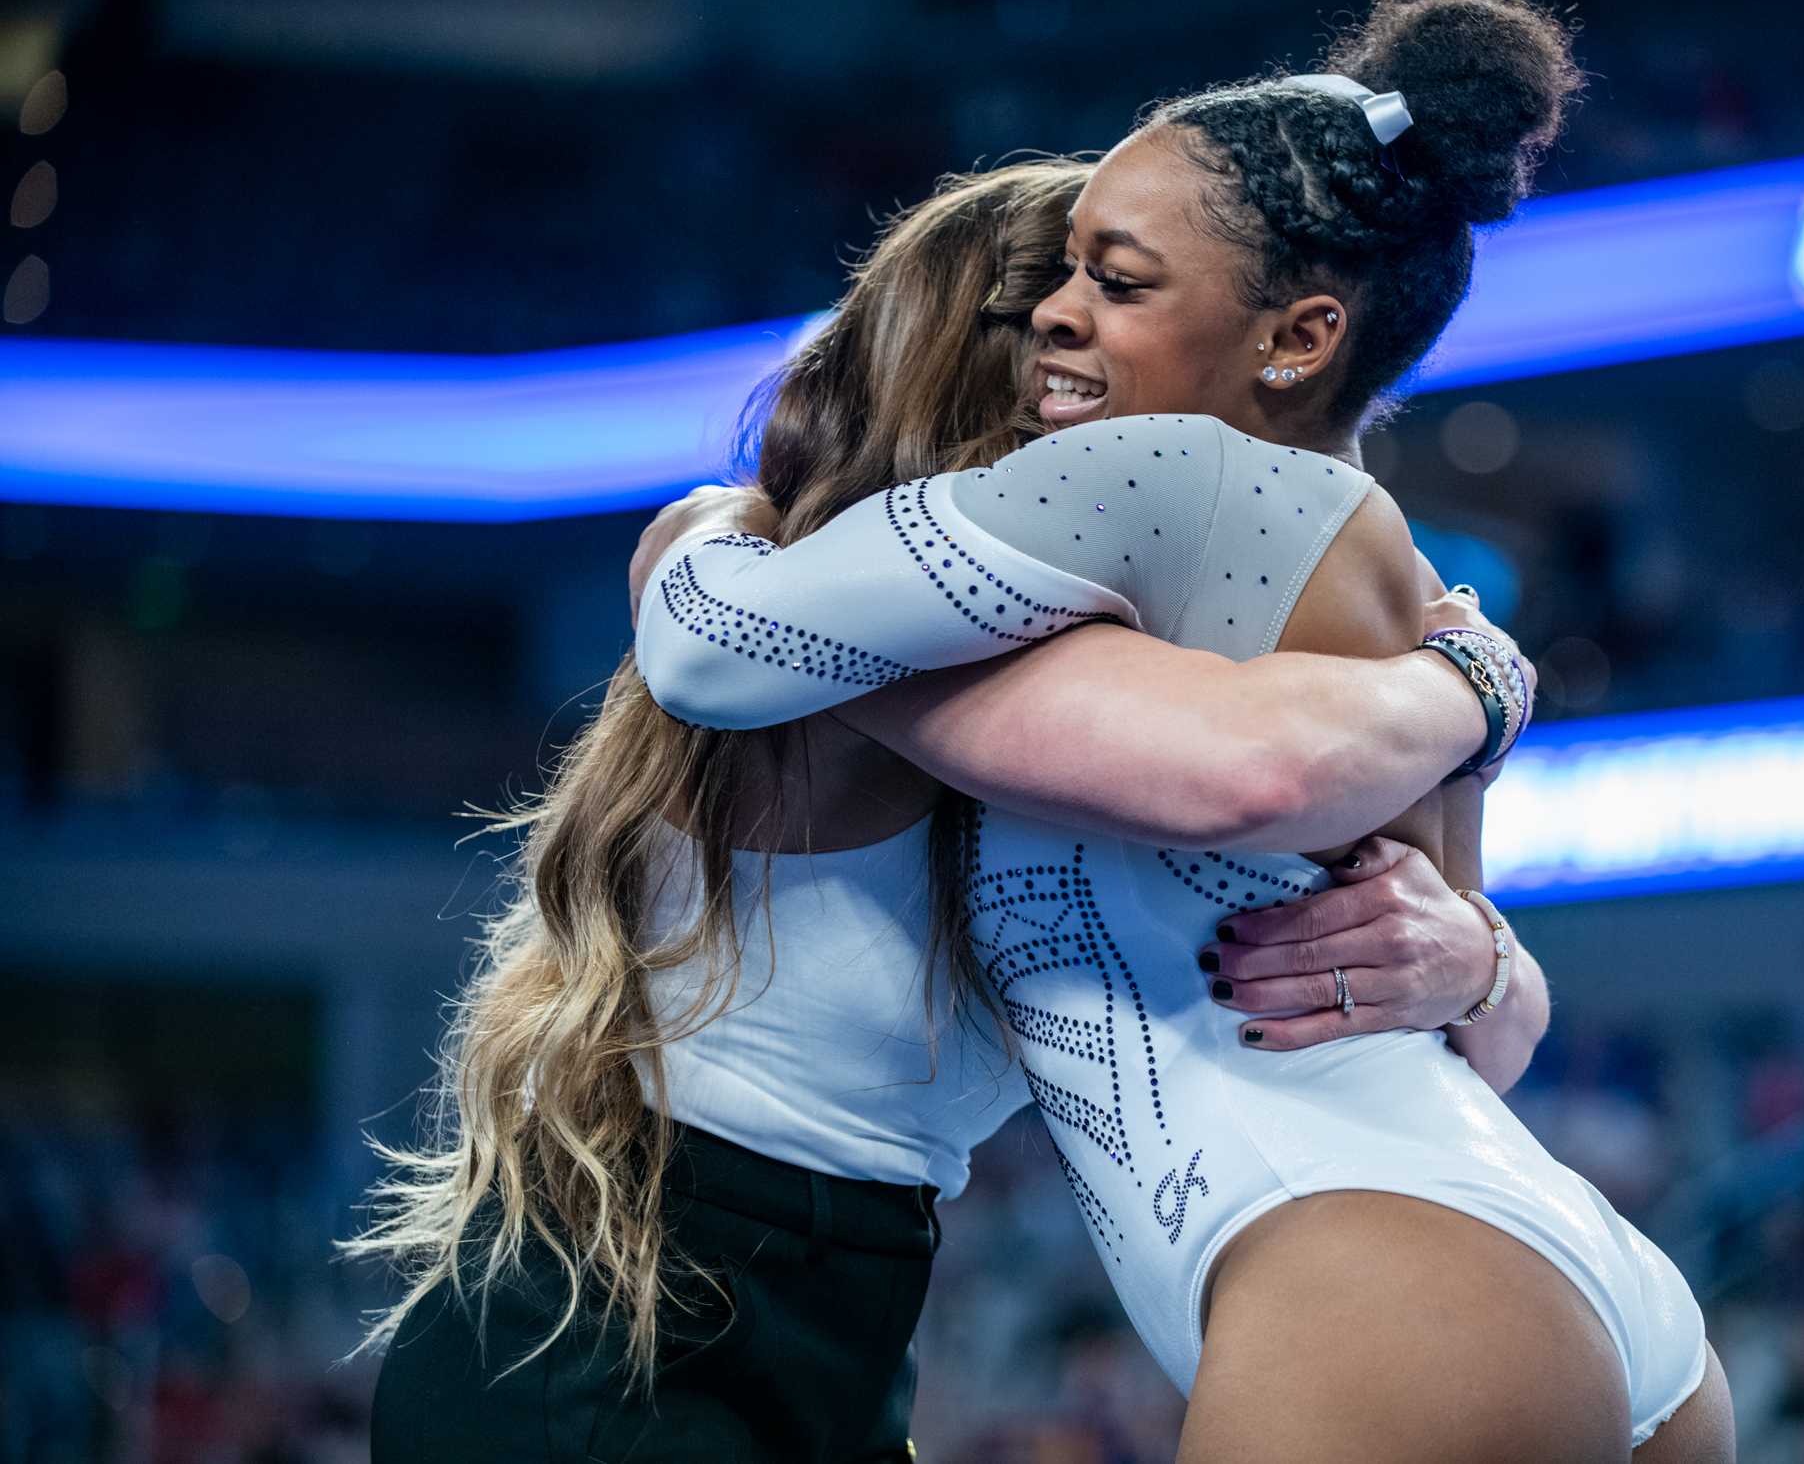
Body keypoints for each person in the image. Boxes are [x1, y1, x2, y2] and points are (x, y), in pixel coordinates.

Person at [631, 0, 1738, 1458]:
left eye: (1120, 279)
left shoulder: (1166, 476)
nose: (1053, 314)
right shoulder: (1400, 579)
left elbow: (717, 649)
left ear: (1298, 338)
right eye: (1068, 266)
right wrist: (1484, 899)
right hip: (1556, 1283)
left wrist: (704, 530)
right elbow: (1477, 1006)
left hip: (1373, 1282)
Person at [353, 158, 1550, 1462]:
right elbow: (1253, 768)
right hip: (613, 1343)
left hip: (826, 1327)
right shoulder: (846, 621)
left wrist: (1475, 961)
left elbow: (1478, 1047)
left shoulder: (1024, 638)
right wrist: (1476, 684)